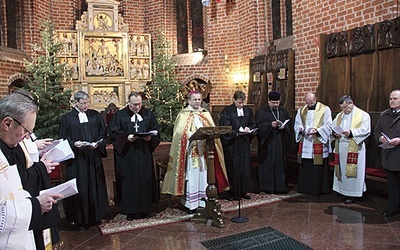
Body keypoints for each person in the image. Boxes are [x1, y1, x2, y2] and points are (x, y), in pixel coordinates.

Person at [0, 91, 62, 250]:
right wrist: (35, 205)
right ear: (7, 124)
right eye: (26, 131)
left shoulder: (8, 148)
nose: (27, 137)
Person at [161, 90, 230, 212]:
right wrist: (190, 134)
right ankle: (191, 204)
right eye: (195, 99)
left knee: (204, 176)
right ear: (189, 100)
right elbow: (179, 134)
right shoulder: (183, 115)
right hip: (191, 152)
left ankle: (204, 202)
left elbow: (212, 130)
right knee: (192, 177)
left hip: (204, 151)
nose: (197, 102)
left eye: (199, 100)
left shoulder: (205, 113)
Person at [58, 91, 109, 228]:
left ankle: (96, 216)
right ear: (76, 103)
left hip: (93, 157)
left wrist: (99, 143)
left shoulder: (95, 115)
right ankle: (79, 219)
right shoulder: (67, 118)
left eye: (87, 102)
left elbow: (103, 133)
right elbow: (63, 138)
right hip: (77, 160)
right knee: (80, 186)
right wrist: (74, 144)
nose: (86, 105)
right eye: (83, 103)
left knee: (94, 185)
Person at [108, 92, 161, 220]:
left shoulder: (148, 114)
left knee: (145, 179)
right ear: (128, 103)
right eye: (134, 105)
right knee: (129, 181)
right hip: (127, 155)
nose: (137, 107)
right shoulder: (119, 115)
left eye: (139, 104)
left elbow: (156, 130)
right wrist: (126, 137)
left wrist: (150, 138)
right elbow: (113, 133)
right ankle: (130, 210)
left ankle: (146, 208)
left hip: (144, 153)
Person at [331, 95, 371, 204]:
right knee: (342, 171)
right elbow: (332, 126)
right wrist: (335, 133)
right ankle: (342, 191)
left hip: (354, 147)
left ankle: (353, 194)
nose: (344, 110)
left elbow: (366, 130)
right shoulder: (340, 116)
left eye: (345, 107)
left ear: (351, 103)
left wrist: (351, 133)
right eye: (342, 108)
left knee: (353, 172)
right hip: (341, 147)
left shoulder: (363, 115)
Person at [219, 91, 256, 200]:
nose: (241, 105)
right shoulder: (227, 111)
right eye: (239, 103)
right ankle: (232, 192)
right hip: (232, 144)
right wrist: (236, 133)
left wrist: (249, 129)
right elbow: (224, 128)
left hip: (244, 143)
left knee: (244, 167)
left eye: (243, 103)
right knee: (233, 167)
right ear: (234, 100)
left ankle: (243, 191)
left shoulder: (247, 110)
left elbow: (252, 123)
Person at [294, 92, 333, 196]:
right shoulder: (301, 110)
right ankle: (305, 187)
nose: (310, 105)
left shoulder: (325, 109)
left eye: (311, 103)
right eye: (308, 103)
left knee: (318, 166)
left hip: (318, 141)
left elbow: (329, 125)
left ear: (316, 98)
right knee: (306, 164)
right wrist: (301, 130)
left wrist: (318, 130)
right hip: (306, 141)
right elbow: (297, 124)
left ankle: (318, 189)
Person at [255, 91, 292, 194]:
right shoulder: (262, 111)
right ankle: (267, 187)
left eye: (277, 102)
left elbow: (290, 124)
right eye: (273, 103)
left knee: (280, 164)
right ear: (268, 101)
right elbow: (258, 126)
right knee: (268, 164)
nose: (276, 105)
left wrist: (284, 127)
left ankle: (280, 187)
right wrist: (270, 125)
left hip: (280, 142)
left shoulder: (283, 111)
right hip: (268, 144)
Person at [374, 89, 400, 217]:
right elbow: (377, 130)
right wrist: (380, 138)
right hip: (389, 156)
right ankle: (393, 209)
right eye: (390, 98)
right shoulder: (384, 114)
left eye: (395, 98)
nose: (392, 101)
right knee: (393, 186)